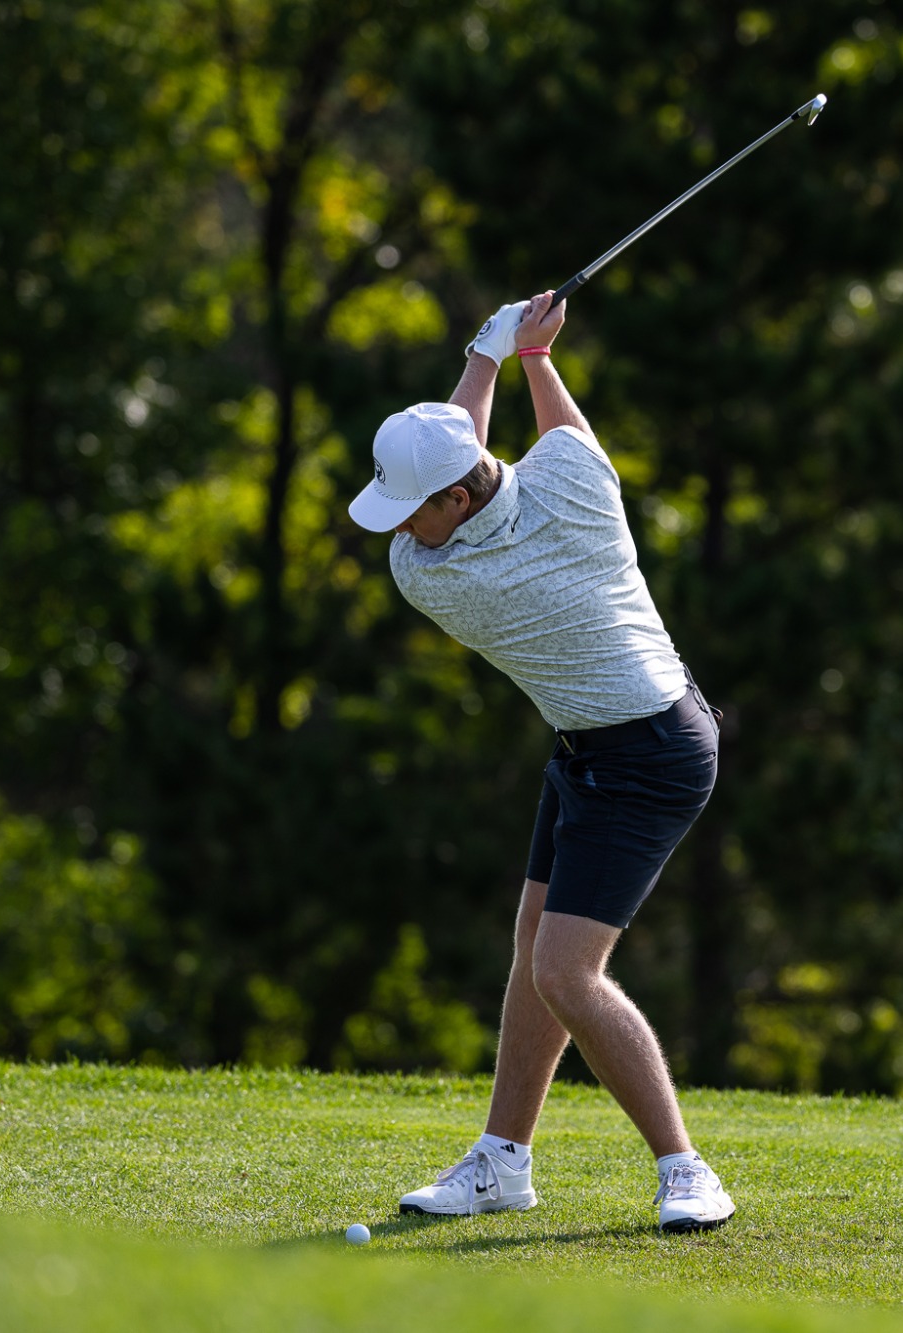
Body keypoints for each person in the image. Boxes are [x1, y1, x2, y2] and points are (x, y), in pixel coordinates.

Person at [345, 291, 733, 1234]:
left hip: (649, 756)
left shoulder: (435, 574)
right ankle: (502, 1160)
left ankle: (686, 1168)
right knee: (534, 950)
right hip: (595, 741)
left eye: (408, 509)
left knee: (565, 971)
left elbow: (463, 452)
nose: (396, 529)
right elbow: (498, 447)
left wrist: (490, 353)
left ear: (455, 498)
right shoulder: (576, 478)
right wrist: (525, 356)